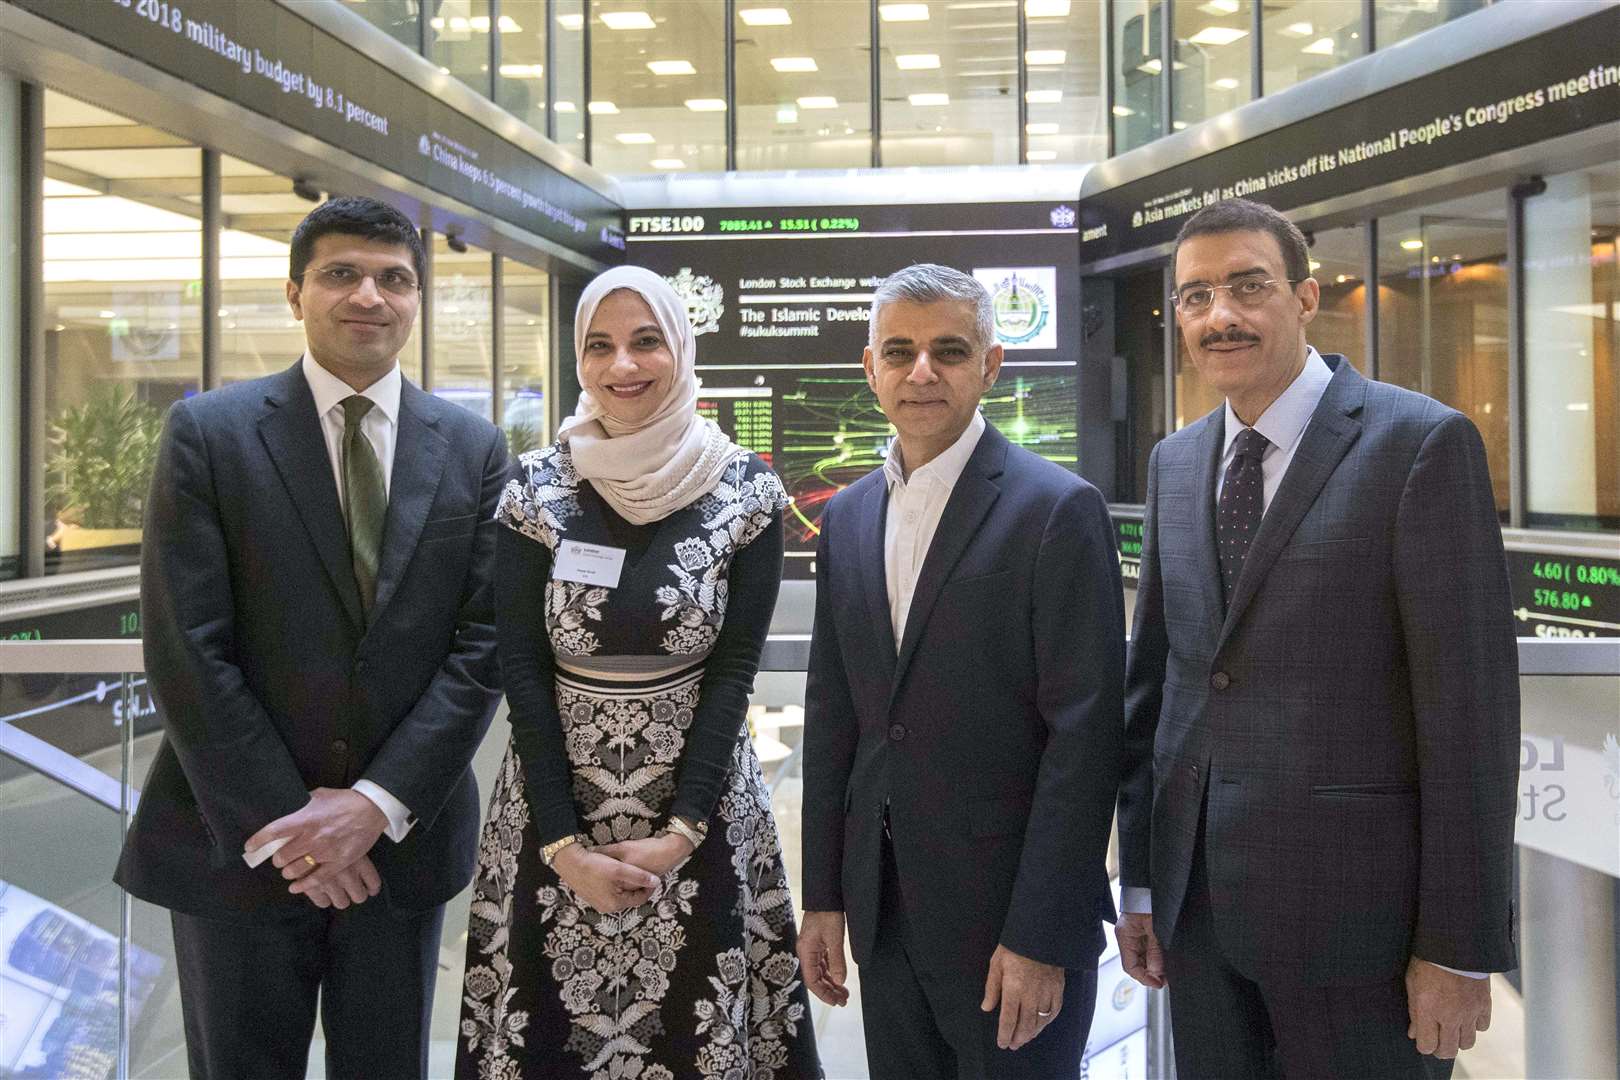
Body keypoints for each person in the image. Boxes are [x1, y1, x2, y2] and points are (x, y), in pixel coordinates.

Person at [1115, 197, 1520, 1078]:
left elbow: (1471, 721)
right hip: (1200, 918)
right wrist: (1142, 882)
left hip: (1363, 932)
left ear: (1305, 297)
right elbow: (1163, 693)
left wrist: (1458, 946)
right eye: (1195, 297)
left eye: (1248, 286)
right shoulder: (1176, 462)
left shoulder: (1419, 445)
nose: (1220, 315)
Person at [115, 195, 508, 1078]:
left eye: (394, 279)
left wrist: (372, 806)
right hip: (237, 844)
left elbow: (482, 647)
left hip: (397, 850)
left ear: (416, 300)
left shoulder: (476, 449)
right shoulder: (210, 435)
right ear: (296, 293)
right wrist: (289, 830)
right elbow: (187, 646)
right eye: (341, 274)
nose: (369, 295)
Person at [456, 265, 821, 1079]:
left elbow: (734, 672)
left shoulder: (745, 490)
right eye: (601, 345)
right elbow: (520, 667)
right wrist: (563, 846)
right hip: (554, 818)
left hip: (703, 812)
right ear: (579, 360)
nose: (624, 365)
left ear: (681, 348)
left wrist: (680, 832)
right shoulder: (535, 488)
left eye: (646, 340)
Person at [797, 263, 1125, 1079]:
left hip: (1009, 927)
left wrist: (1041, 936)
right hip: (887, 914)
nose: (921, 372)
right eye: (899, 351)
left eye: (949, 349)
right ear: (868, 366)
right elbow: (836, 717)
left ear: (991, 365)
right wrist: (825, 896)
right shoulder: (844, 519)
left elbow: (1083, 742)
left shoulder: (1056, 510)